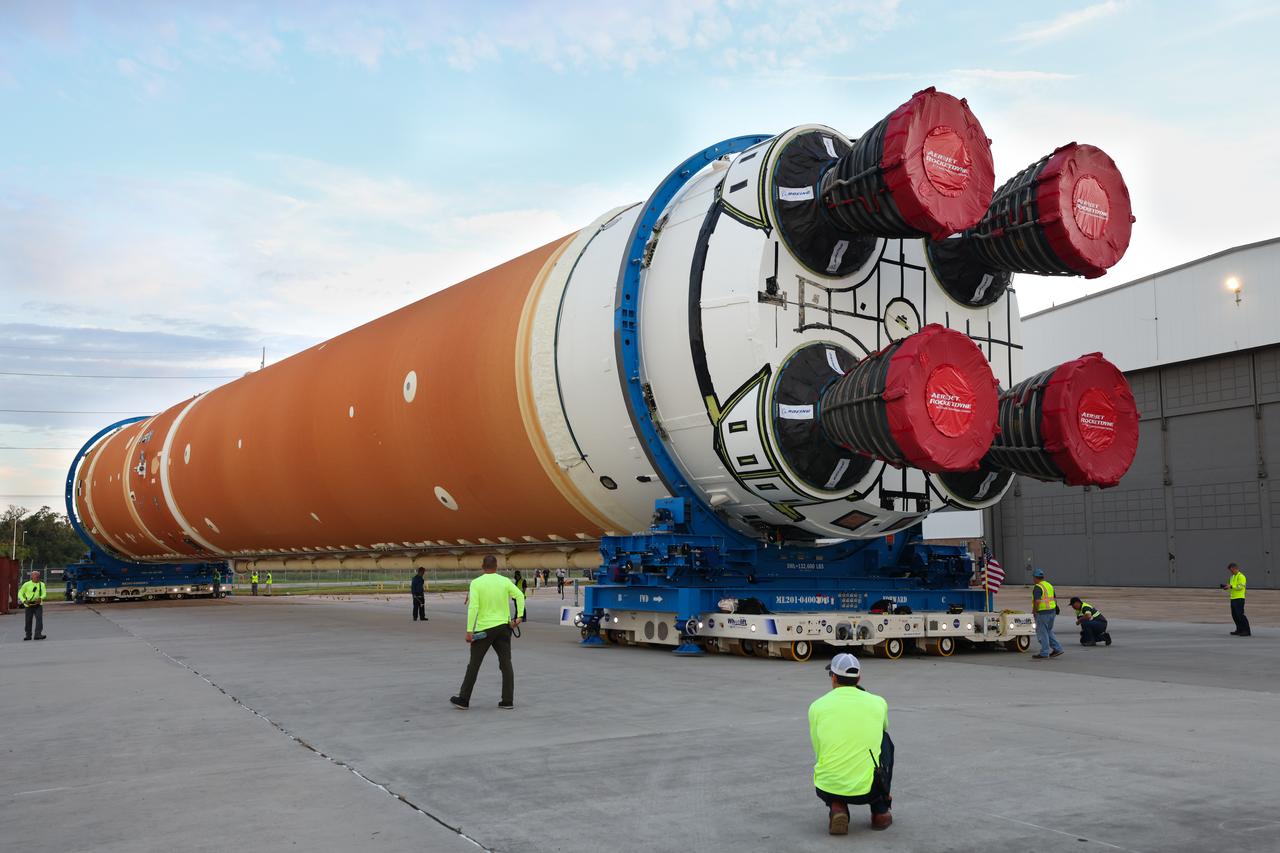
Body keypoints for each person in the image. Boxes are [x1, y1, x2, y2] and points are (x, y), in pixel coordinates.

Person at [809, 653, 893, 834]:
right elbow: (883, 729)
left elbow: (818, 749)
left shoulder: (817, 706)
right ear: (859, 678)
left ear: (833, 677)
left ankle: (838, 806)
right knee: (884, 739)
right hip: (868, 790)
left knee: (829, 752)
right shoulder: (878, 702)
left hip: (827, 785)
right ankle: (880, 810)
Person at [451, 555, 525, 710]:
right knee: (506, 664)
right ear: (496, 566)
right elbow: (519, 595)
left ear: (482, 566)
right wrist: (518, 617)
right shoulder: (504, 581)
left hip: (484, 629)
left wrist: (469, 630)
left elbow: (473, 607)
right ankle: (507, 700)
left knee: (474, 665)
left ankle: (464, 699)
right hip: (504, 628)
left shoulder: (477, 583)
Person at [1030, 569, 1063, 660]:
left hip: (1042, 613)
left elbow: (1037, 601)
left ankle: (1044, 652)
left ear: (1035, 578)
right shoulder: (1049, 585)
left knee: (1042, 633)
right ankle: (1058, 648)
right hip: (1052, 612)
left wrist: (1034, 611)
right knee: (1048, 631)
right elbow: (1054, 598)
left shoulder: (1038, 587)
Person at [1220, 563, 1251, 636]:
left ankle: (1246, 631)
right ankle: (1239, 629)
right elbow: (1232, 587)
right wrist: (1227, 587)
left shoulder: (1241, 576)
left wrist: (1231, 586)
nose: (1231, 572)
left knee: (1240, 615)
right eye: (1230, 570)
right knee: (1234, 615)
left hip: (1239, 598)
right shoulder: (1232, 577)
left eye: (1232, 570)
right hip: (1233, 598)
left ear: (1235, 568)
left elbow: (1240, 587)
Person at [19, 570, 48, 641]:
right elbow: (20, 593)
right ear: (32, 577)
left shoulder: (42, 584)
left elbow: (44, 593)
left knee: (39, 619)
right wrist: (24, 600)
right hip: (28, 604)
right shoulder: (26, 584)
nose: (38, 578)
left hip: (38, 604)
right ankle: (28, 635)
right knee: (28, 620)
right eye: (36, 576)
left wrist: (41, 598)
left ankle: (38, 634)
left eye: (38, 576)